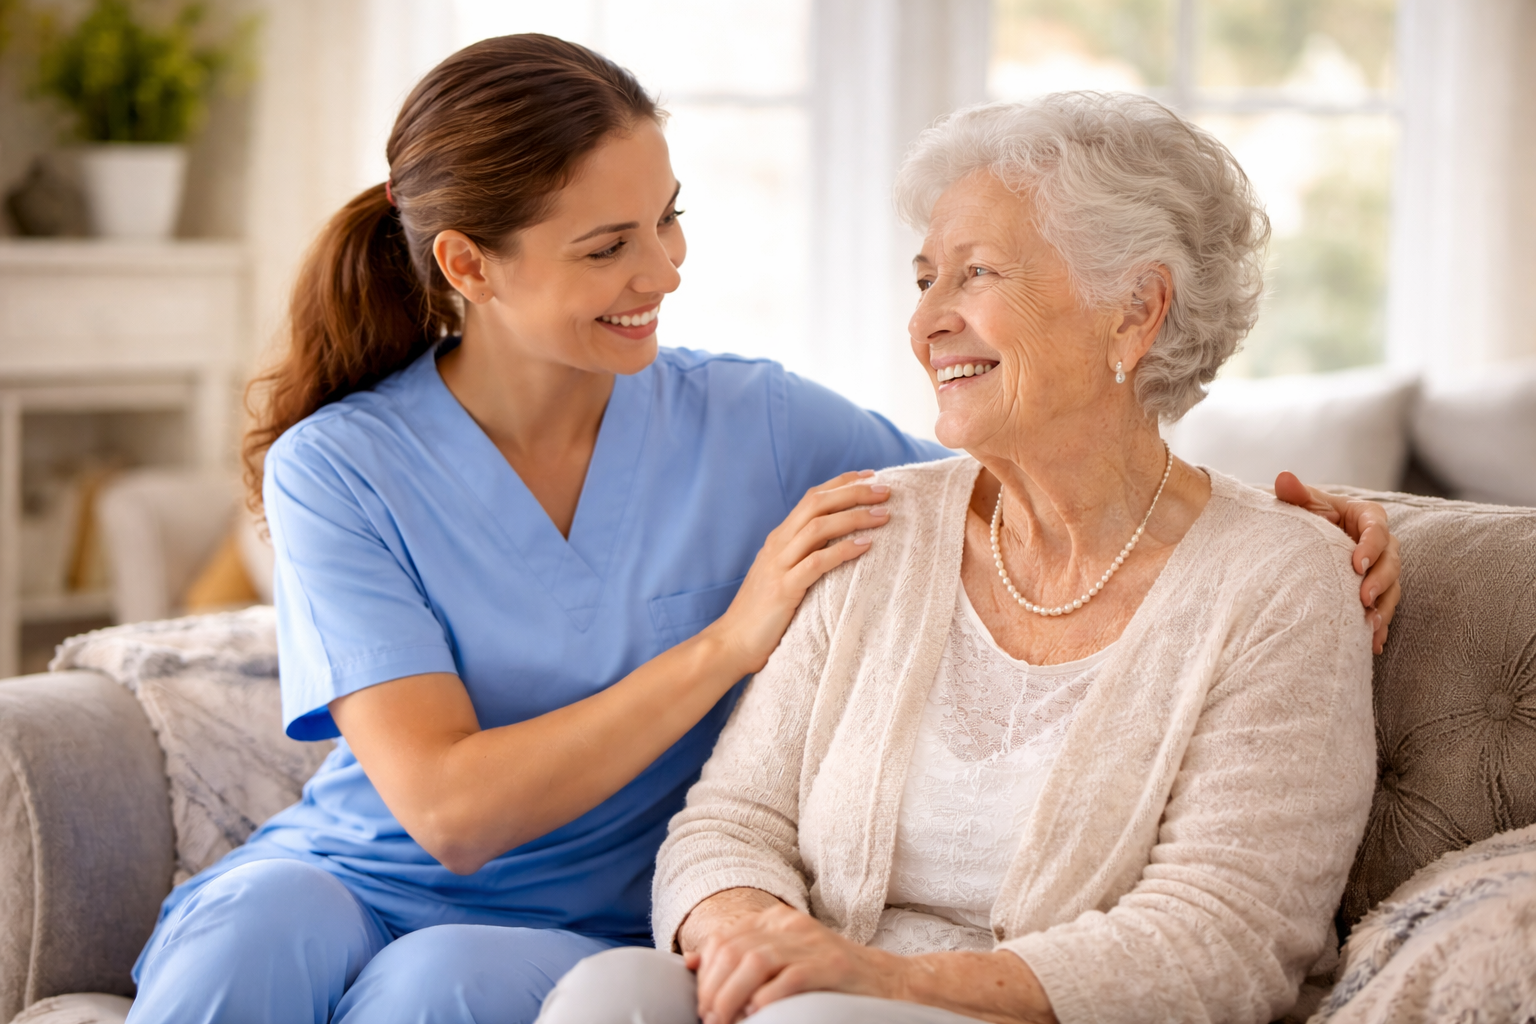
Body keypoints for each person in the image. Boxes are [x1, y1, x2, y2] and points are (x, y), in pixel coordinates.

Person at [124, 37, 1398, 1024]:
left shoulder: (762, 424)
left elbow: (1054, 463)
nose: (664, 270)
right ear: (469, 265)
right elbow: (448, 809)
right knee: (260, 927)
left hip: (579, 923)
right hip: (368, 863)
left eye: (671, 218)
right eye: (611, 245)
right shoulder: (339, 462)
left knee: (435, 987)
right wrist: (729, 644)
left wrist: (1314, 521)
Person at [538, 93, 1382, 1024]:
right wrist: (750, 934)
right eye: (923, 280)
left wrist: (880, 983)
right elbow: (732, 822)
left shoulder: (1280, 582)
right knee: (607, 992)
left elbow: (1223, 938)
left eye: (974, 275)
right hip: (809, 999)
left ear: (1135, 312)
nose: (926, 324)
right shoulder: (875, 526)